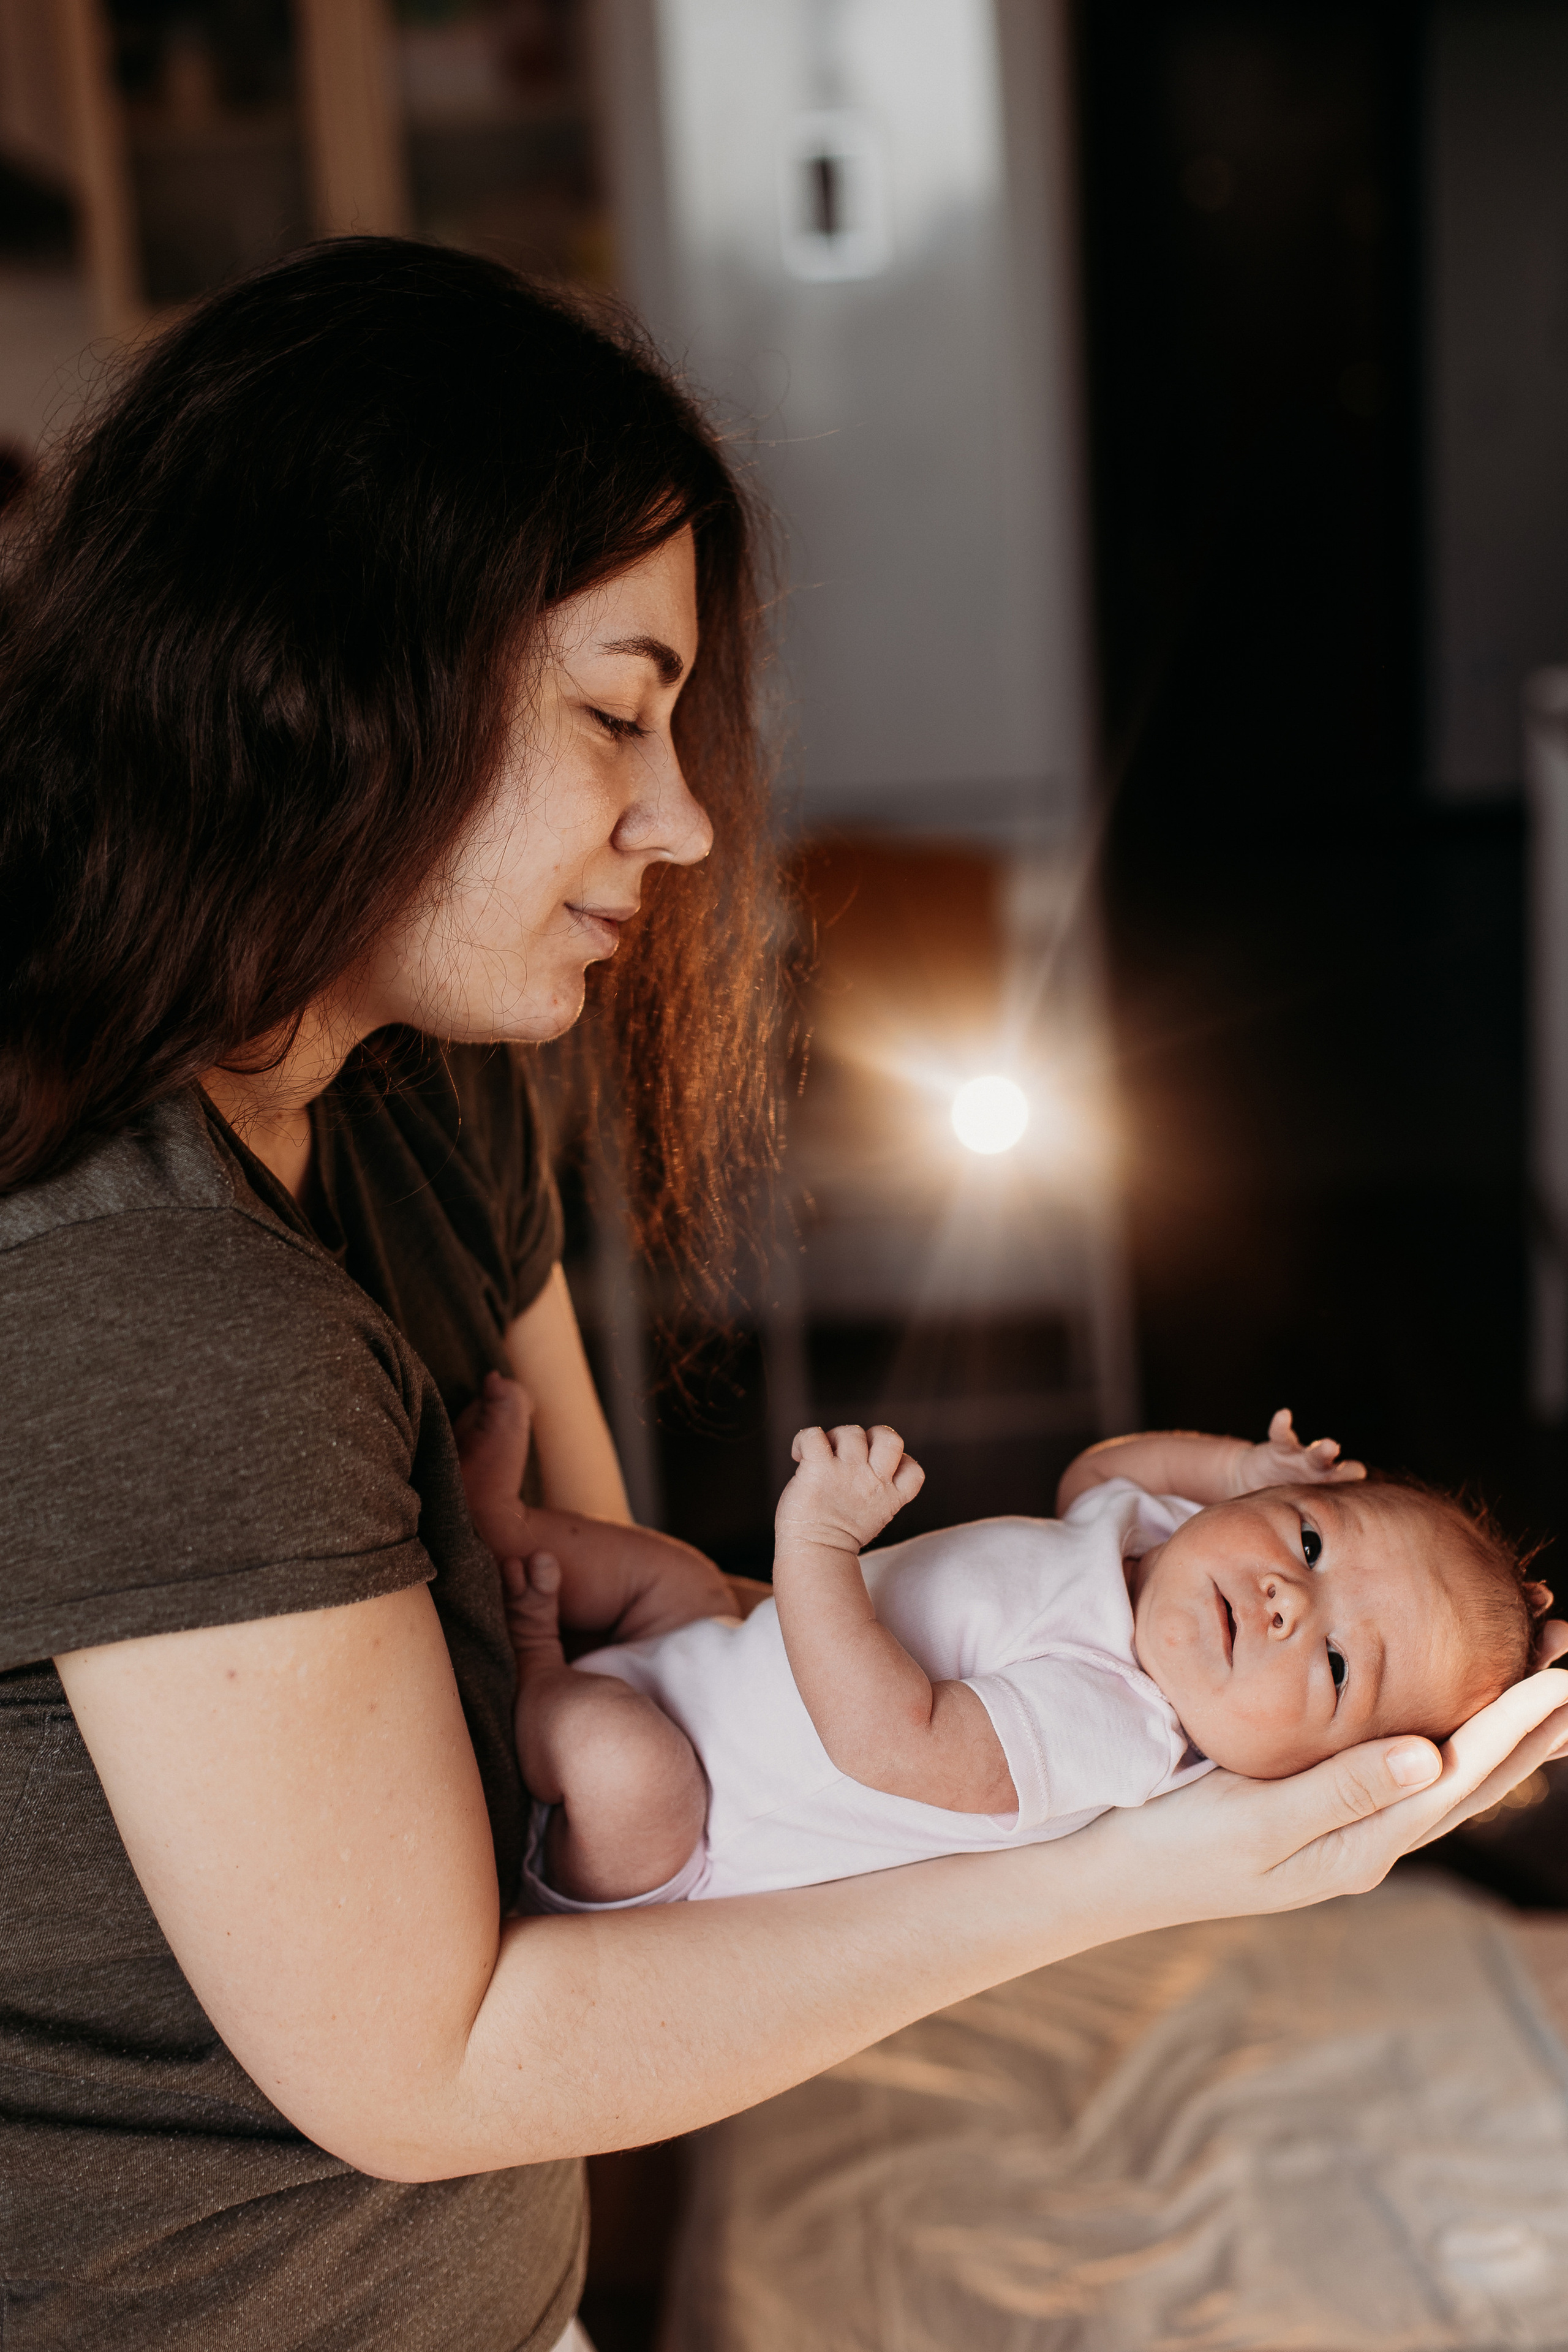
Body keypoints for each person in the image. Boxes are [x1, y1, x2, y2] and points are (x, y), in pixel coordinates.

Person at [0, 239, 1564, 2352]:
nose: (688, 819)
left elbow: (625, 1626)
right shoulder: (157, 1297)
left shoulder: (430, 1108)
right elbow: (429, 2063)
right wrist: (1131, 1878)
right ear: (329, 671)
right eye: (615, 717)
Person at [457, 1389, 1559, 1907]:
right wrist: (1232, 1472)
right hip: (716, 1655)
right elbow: (1093, 1476)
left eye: (1333, 1668)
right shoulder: (1167, 1552)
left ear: (1310, 1770)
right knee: (675, 1575)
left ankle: (537, 1669)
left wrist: (818, 1542)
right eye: (1312, 1539)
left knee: (620, 1758)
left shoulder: (1118, 1725)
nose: (1285, 1602)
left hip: (685, 1824)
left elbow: (887, 1736)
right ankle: (503, 1535)